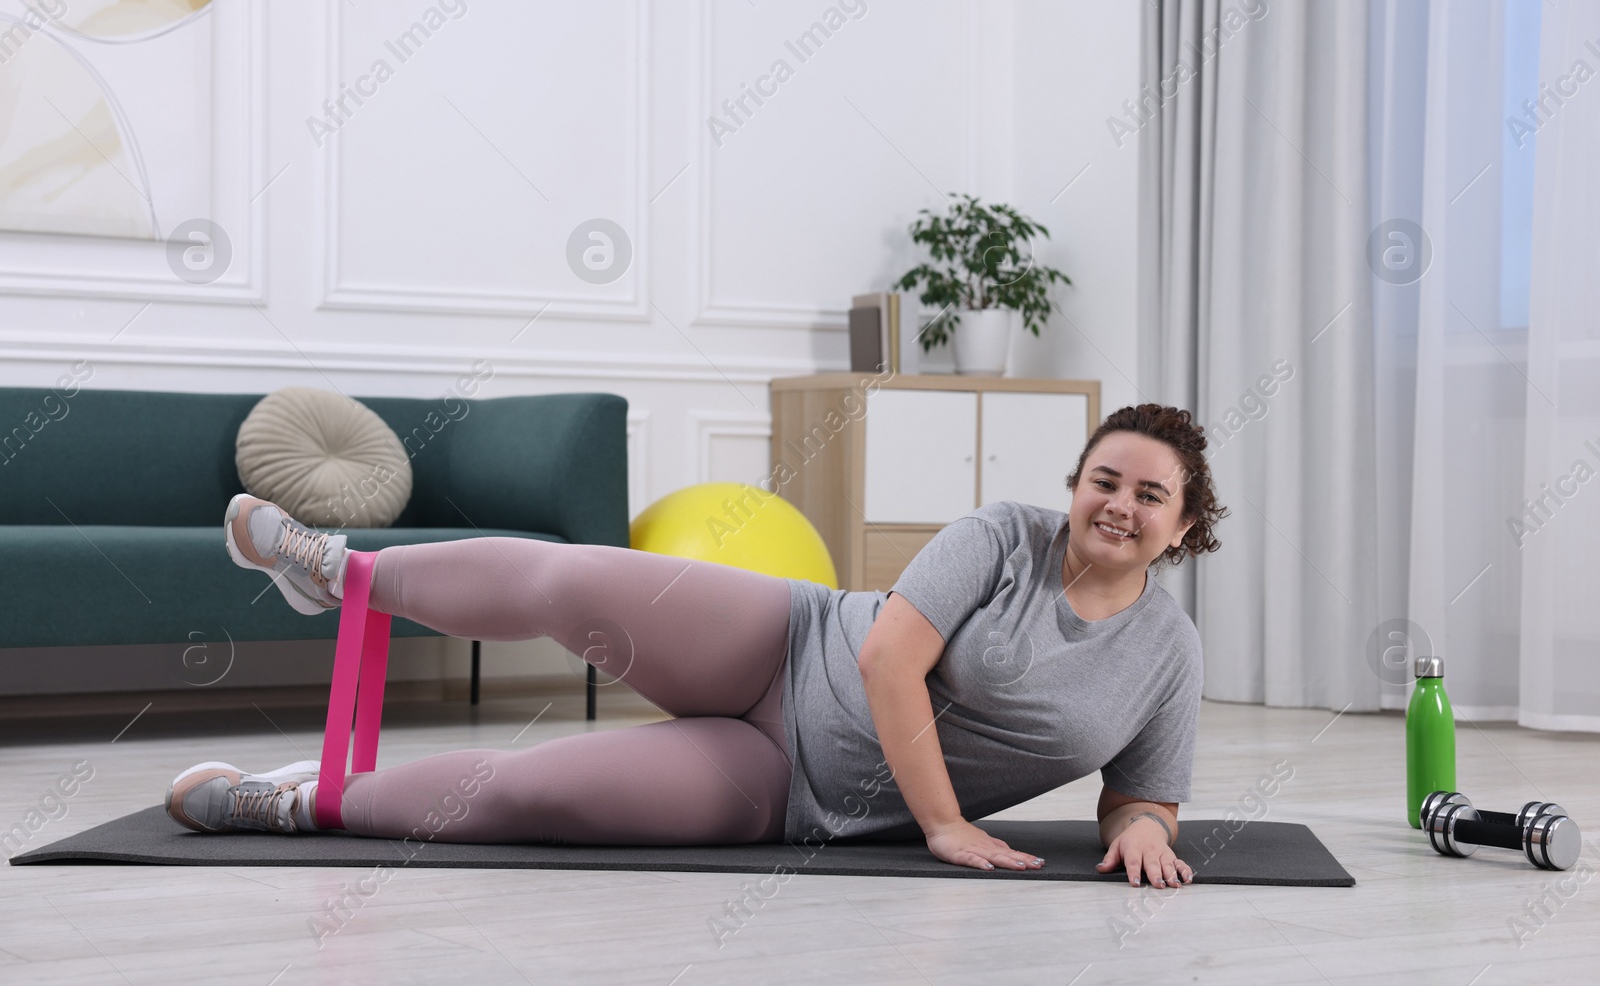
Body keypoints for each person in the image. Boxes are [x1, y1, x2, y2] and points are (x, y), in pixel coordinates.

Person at [165, 403, 1225, 888]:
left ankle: (297, 799)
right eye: (1103, 478)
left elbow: (1143, 792)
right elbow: (886, 660)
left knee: (534, 795)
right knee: (570, 578)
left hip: (794, 790)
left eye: (1148, 494)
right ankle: (334, 569)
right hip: (784, 643)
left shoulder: (1168, 654)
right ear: (1073, 485)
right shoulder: (999, 535)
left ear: (1183, 527)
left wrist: (1137, 826)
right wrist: (944, 824)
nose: (1118, 504)